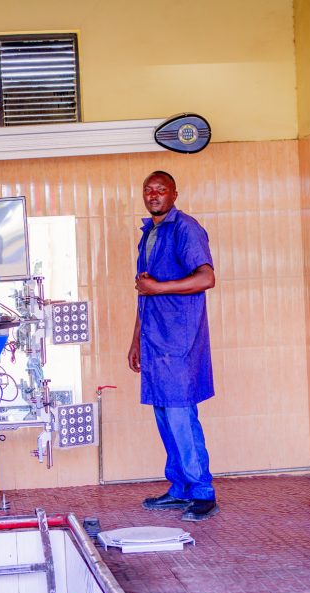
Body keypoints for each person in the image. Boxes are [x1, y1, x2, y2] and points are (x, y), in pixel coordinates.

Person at [128, 171, 219, 521]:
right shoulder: (149, 233)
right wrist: (136, 340)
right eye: (148, 190)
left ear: (174, 194)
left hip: (180, 341)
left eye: (160, 190)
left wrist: (160, 288)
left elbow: (207, 277)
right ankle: (180, 488)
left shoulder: (185, 229)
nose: (153, 195)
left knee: (181, 415)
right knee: (165, 416)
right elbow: (144, 291)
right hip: (154, 341)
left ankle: (202, 491)